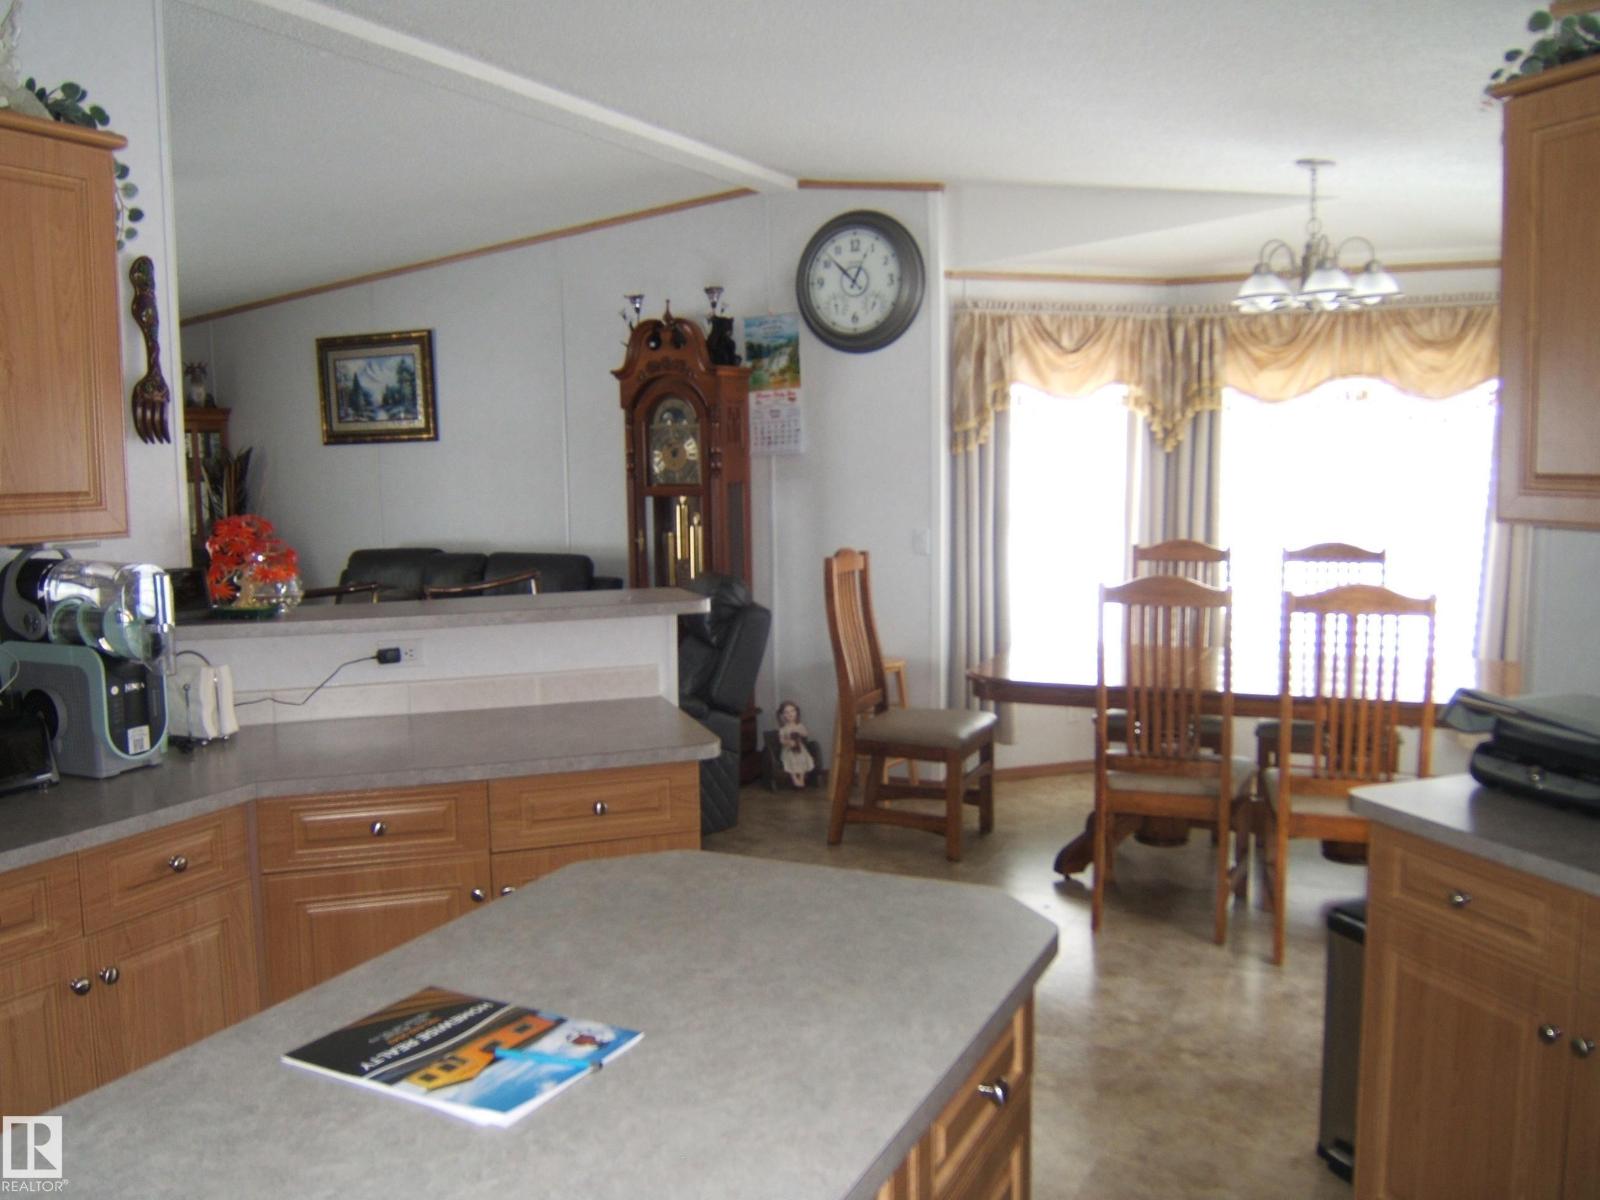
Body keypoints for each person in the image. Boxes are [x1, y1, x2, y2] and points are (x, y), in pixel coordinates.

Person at [777, 700, 814, 788]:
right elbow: (781, 740)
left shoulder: (799, 725)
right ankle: (794, 778)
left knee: (803, 757)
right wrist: (788, 742)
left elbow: (805, 734)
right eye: (787, 712)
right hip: (788, 749)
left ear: (796, 712)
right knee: (791, 758)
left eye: (792, 711)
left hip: (800, 748)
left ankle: (801, 778)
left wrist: (800, 732)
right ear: (783, 715)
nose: (790, 714)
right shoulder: (783, 729)